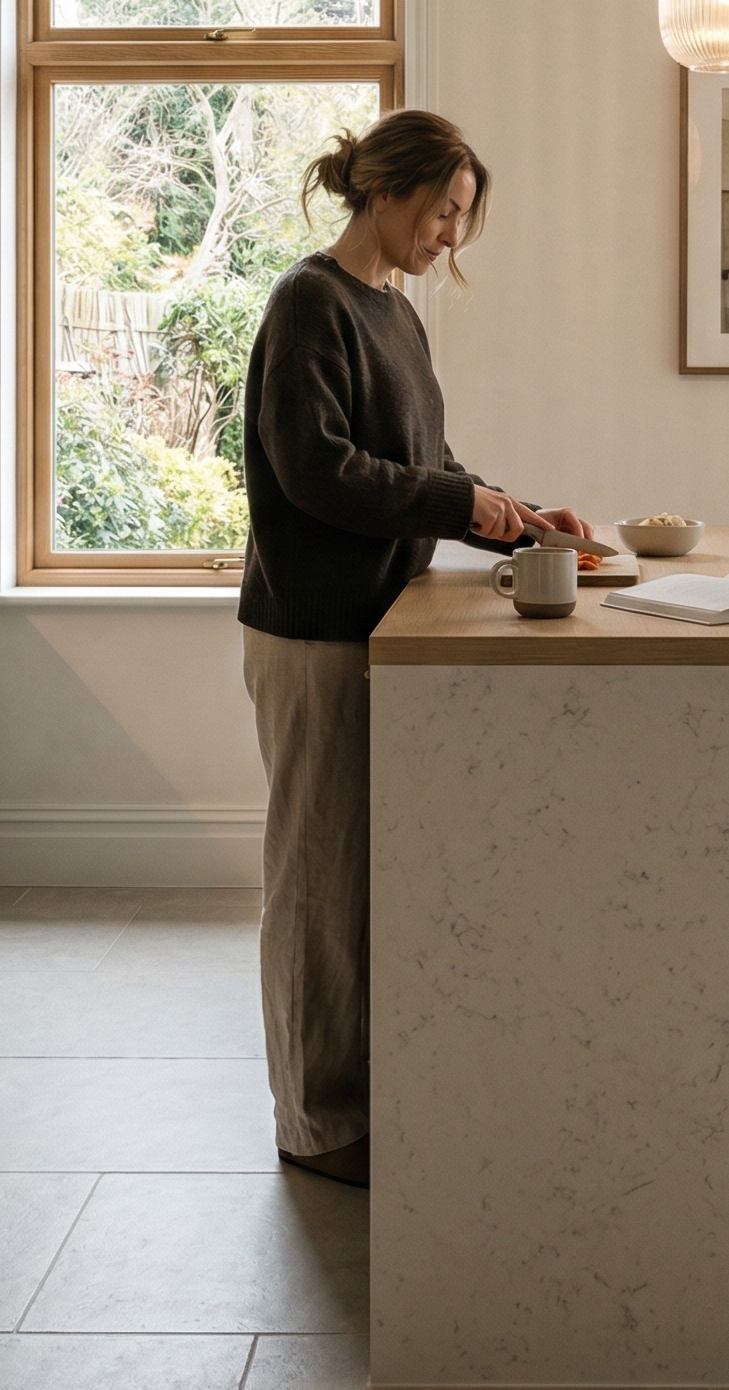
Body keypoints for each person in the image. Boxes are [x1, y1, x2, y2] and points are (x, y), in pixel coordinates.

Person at [238, 108, 596, 1188]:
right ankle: (316, 1123)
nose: (450, 234)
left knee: (354, 875)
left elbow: (427, 463)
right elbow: (317, 471)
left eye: (461, 217)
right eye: (443, 209)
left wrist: (519, 511)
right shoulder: (311, 299)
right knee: (314, 878)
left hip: (373, 622)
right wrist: (466, 501)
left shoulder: (394, 312)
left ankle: (354, 1094)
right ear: (384, 191)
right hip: (312, 628)